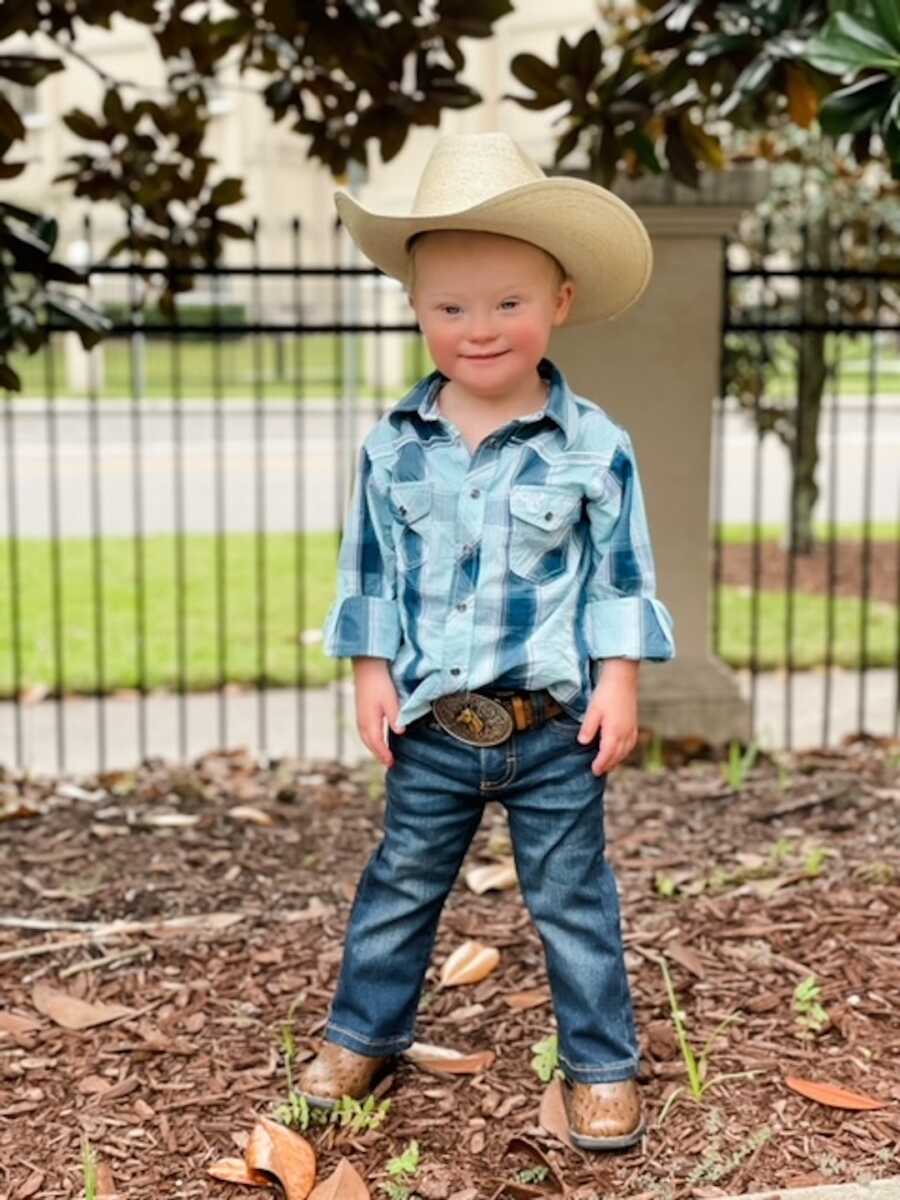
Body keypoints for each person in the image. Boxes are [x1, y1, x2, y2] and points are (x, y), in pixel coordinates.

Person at [298, 131, 675, 1151]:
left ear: (558, 300)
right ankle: (362, 1038)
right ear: (417, 309)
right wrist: (371, 674)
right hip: (431, 725)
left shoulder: (594, 446)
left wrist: (622, 683)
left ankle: (600, 1066)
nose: (478, 328)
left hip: (554, 727)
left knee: (575, 903)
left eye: (507, 302)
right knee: (399, 886)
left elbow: (620, 576)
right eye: (450, 307)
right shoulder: (393, 447)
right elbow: (368, 571)